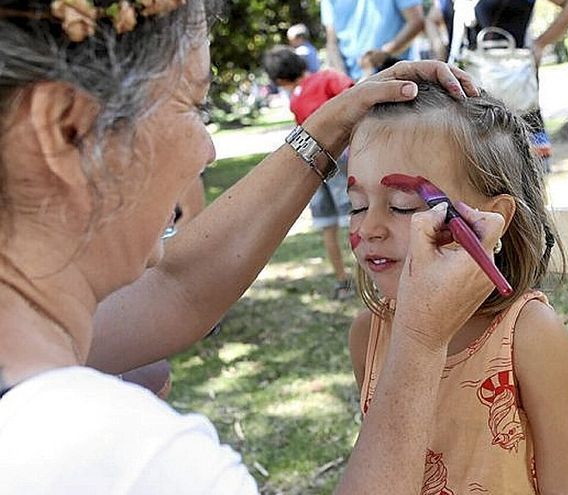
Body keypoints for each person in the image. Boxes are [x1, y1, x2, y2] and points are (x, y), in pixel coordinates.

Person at [0, 0, 503, 489]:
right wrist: (418, 345)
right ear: (67, 128)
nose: (208, 149)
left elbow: (178, 287)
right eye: (192, 105)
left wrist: (329, 127)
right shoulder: (128, 463)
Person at [345, 82, 568, 493]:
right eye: (356, 205)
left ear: (492, 220)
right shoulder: (369, 334)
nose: (369, 228)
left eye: (402, 206)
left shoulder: (531, 337)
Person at [439, 0, 568, 170]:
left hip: (513, 87)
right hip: (467, 96)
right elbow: (440, 21)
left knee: (527, 175)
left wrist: (541, 43)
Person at [263, 46, 356, 298]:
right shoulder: (328, 77)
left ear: (281, 81)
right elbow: (355, 97)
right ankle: (370, 279)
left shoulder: (295, 99)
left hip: (313, 165)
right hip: (342, 158)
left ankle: (342, 279)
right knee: (356, 219)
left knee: (329, 225)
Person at [321, 0, 426, 80]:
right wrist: (343, 81)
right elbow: (332, 41)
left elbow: (416, 21)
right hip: (353, 79)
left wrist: (384, 53)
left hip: (397, 75)